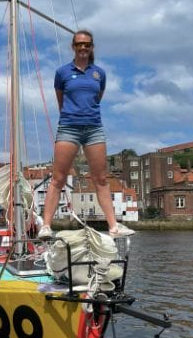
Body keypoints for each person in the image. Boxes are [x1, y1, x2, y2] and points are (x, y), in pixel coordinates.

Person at [38, 29, 134, 239]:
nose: (83, 47)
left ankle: (113, 227)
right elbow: (61, 100)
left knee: (100, 178)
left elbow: (96, 99)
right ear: (73, 47)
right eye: (79, 44)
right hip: (69, 127)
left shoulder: (99, 73)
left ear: (92, 47)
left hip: (94, 129)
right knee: (58, 178)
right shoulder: (62, 73)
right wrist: (74, 115)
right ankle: (46, 226)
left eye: (87, 44)